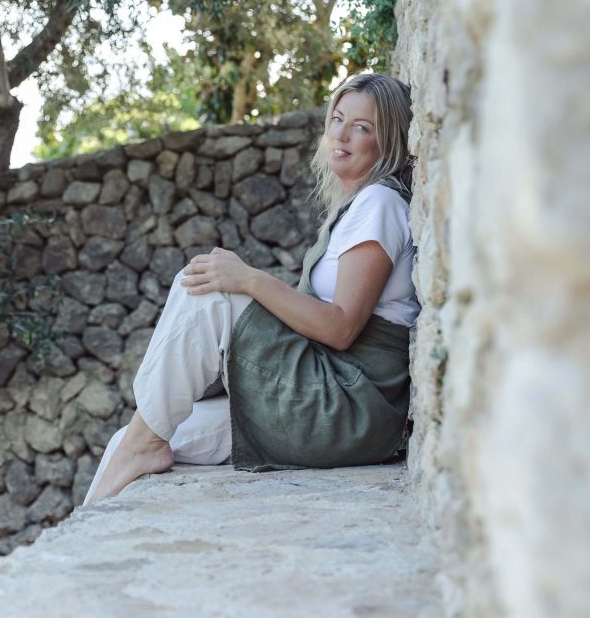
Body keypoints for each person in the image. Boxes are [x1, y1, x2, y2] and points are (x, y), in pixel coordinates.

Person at [82, 73, 420, 505]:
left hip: (347, 408)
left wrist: (250, 279)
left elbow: (340, 329)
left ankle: (141, 448)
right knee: (127, 439)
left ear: (388, 140)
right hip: (322, 401)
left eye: (362, 127)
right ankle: (74, 547)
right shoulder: (358, 207)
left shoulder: (380, 204)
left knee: (209, 291)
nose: (342, 134)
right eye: (338, 119)